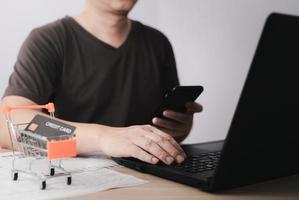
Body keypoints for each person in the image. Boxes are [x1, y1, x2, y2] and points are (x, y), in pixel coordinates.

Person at [0, 0, 202, 165]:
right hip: (74, 179)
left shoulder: (157, 43)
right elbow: (8, 124)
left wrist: (176, 130)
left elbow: (165, 129)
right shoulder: (48, 40)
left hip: (147, 179)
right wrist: (103, 138)